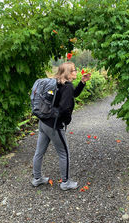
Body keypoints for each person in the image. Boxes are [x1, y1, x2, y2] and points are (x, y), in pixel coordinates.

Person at [32, 61, 91, 190]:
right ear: (68, 72)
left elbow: (73, 94)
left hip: (43, 122)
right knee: (64, 153)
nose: (76, 71)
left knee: (39, 152)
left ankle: (37, 179)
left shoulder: (56, 83)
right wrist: (66, 121)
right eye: (74, 70)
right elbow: (65, 108)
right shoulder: (67, 86)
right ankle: (65, 182)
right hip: (54, 125)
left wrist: (82, 82)